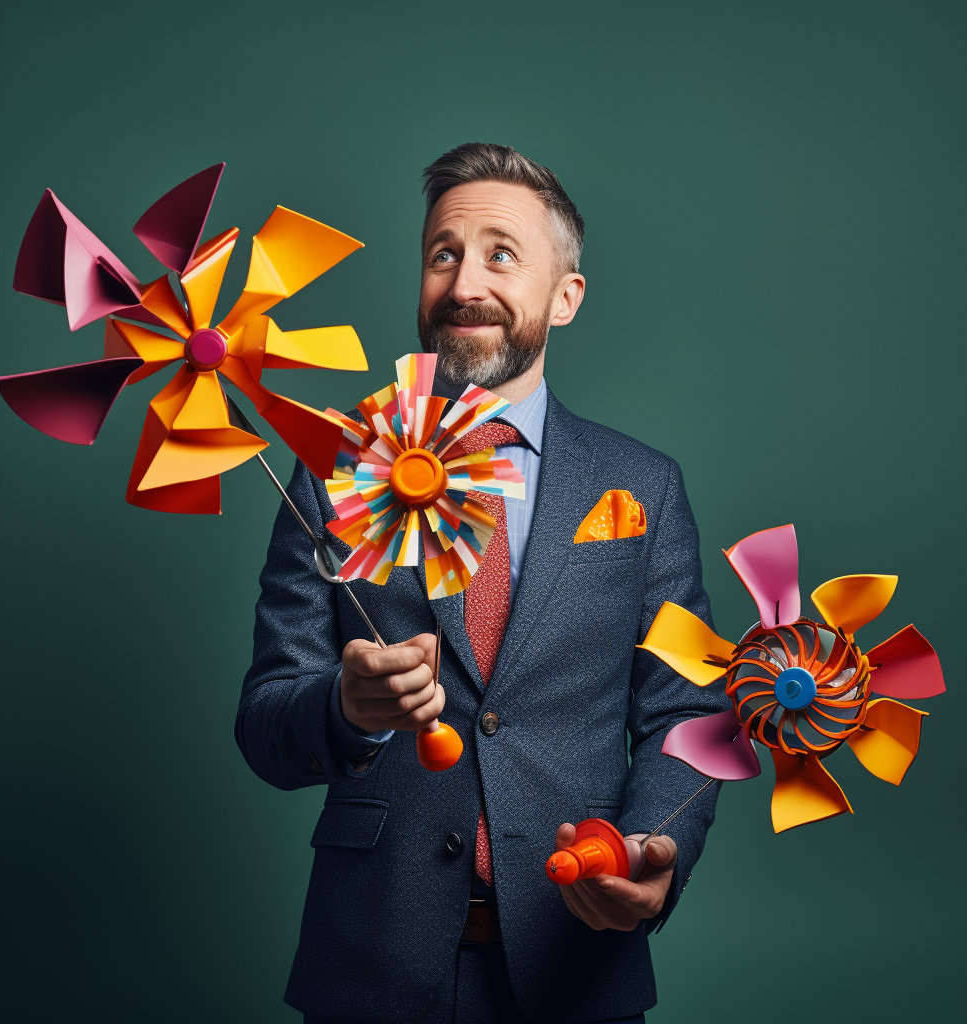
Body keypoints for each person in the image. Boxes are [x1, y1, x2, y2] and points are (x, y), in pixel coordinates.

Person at [236, 143, 729, 1024]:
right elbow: (267, 723)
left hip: (576, 961)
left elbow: (684, 713)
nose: (465, 281)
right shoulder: (332, 471)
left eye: (502, 253)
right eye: (442, 254)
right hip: (372, 966)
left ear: (564, 297)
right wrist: (345, 709)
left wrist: (656, 850)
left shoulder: (643, 486)